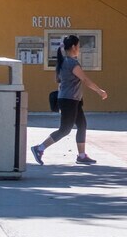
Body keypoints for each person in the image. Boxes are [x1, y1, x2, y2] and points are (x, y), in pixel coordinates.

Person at [32, 35, 107, 166]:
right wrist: (99, 91)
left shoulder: (63, 62)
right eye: (78, 46)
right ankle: (39, 148)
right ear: (73, 47)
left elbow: (59, 81)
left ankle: (82, 156)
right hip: (69, 100)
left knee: (82, 125)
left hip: (72, 99)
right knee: (65, 129)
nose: (79, 49)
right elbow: (85, 79)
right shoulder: (72, 63)